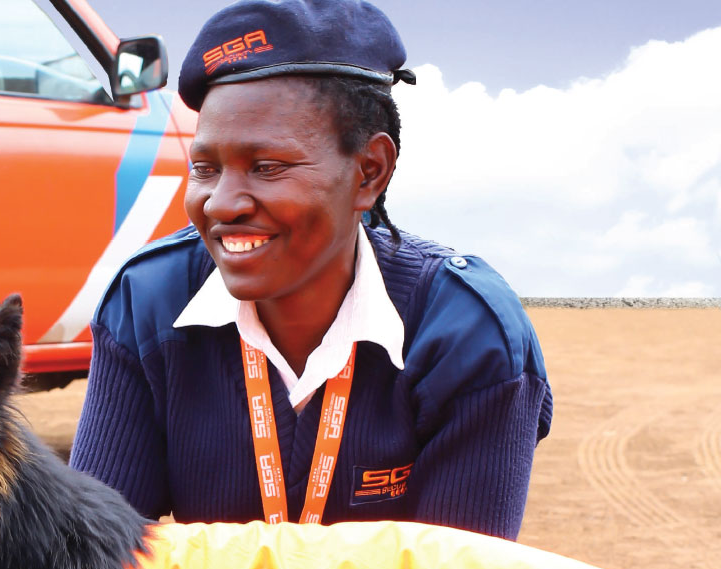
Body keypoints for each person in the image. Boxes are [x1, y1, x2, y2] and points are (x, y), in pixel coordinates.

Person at [69, 0, 553, 540]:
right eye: (204, 169)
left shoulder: (466, 335)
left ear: (369, 172)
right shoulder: (148, 302)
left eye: (267, 167)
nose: (221, 203)